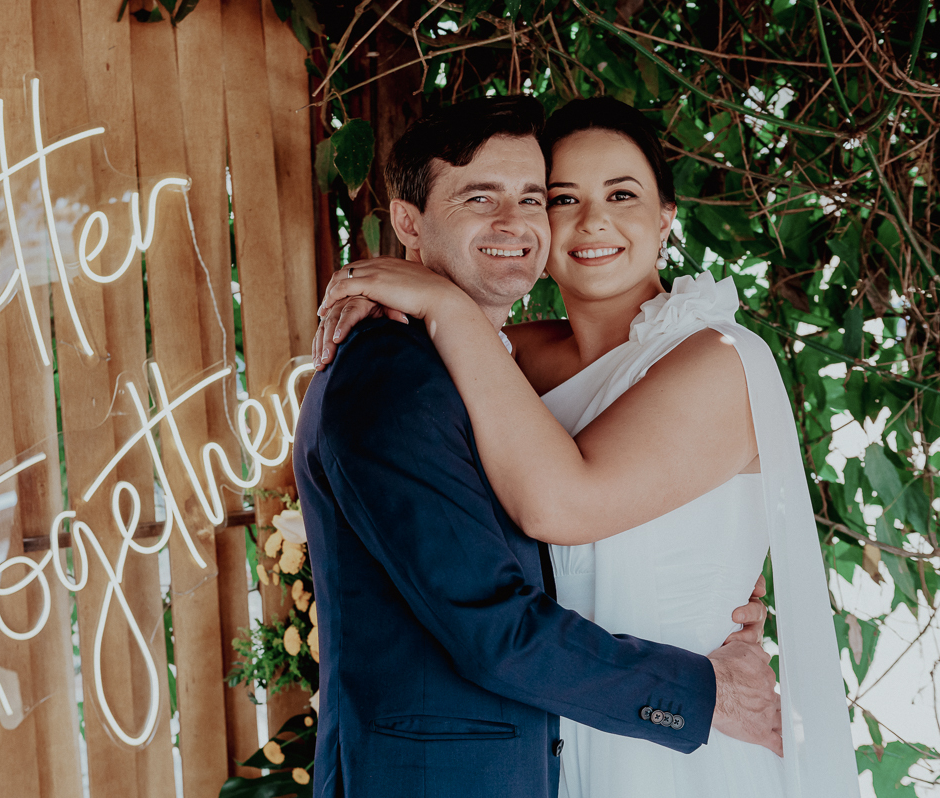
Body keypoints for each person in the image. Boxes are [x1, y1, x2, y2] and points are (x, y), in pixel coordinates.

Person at [313, 96, 859, 797]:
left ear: (666, 217)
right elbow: (408, 383)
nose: (592, 220)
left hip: (681, 740)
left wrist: (440, 302)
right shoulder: (506, 357)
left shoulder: (720, 359)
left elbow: (556, 506)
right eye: (563, 198)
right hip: (554, 739)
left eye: (622, 194)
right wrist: (381, 296)